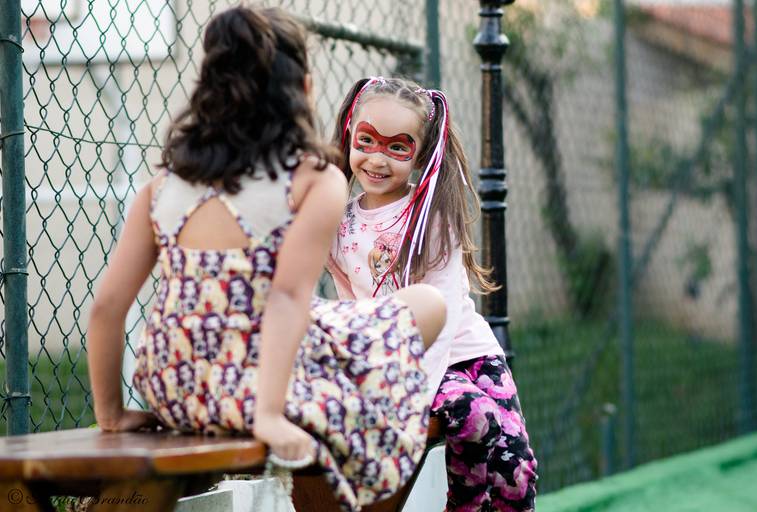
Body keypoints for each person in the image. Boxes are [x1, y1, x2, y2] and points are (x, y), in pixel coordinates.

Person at [86, 9, 446, 511]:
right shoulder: (313, 180)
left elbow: (106, 306)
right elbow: (286, 296)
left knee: (335, 322)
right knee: (428, 305)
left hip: (175, 388)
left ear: (208, 92)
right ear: (303, 89)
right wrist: (269, 416)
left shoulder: (162, 186)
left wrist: (111, 414)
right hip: (259, 387)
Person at [327, 77, 538, 511]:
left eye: (397, 147)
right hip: (406, 359)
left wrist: (414, 389)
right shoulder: (338, 224)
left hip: (469, 354)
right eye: (366, 141)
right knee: (474, 417)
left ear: (420, 154)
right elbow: (353, 306)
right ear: (349, 135)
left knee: (516, 474)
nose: (377, 159)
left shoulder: (431, 214)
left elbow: (441, 309)